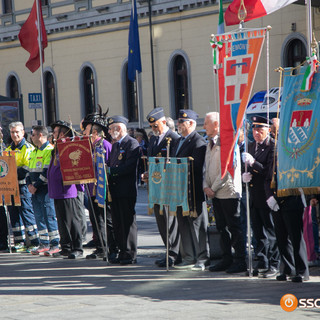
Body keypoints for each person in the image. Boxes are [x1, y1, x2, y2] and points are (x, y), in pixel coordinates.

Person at [203, 112, 247, 274]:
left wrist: (212, 188)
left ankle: (240, 259)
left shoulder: (227, 141)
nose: (204, 126)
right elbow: (206, 168)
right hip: (214, 192)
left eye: (206, 123)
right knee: (221, 227)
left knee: (234, 227)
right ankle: (226, 258)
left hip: (227, 191)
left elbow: (227, 170)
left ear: (216, 125)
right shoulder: (210, 143)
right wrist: (205, 185)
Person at [242, 116, 280, 278]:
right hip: (254, 195)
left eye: (260, 130)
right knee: (258, 233)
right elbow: (248, 168)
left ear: (268, 130)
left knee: (271, 231)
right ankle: (263, 261)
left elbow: (269, 171)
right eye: (254, 130)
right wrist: (244, 175)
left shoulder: (272, 146)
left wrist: (253, 165)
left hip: (267, 195)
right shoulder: (251, 146)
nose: (256, 133)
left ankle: (274, 264)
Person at [265, 150, 310, 282]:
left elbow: (294, 183)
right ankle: (288, 269)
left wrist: (277, 199)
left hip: (292, 202)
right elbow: (268, 179)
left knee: (295, 237)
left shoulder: (294, 159)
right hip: (276, 204)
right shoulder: (275, 159)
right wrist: (269, 197)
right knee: (281, 238)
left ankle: (302, 271)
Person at [172, 109, 209, 271]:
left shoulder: (198, 141)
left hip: (192, 191)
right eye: (179, 121)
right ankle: (188, 256)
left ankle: (202, 257)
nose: (179, 125)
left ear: (192, 123)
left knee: (197, 225)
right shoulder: (177, 141)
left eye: (182, 122)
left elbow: (196, 167)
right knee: (183, 224)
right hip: (179, 190)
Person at [144, 107, 180, 267]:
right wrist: (146, 173)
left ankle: (174, 253)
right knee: (161, 220)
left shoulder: (174, 138)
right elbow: (152, 160)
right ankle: (168, 250)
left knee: (170, 220)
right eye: (151, 127)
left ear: (164, 122)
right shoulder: (153, 139)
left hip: (168, 186)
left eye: (156, 126)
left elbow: (175, 163)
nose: (153, 129)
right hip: (155, 185)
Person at [81, 110, 117, 259]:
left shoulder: (105, 145)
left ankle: (111, 248)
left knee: (106, 220)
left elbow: (110, 167)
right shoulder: (90, 147)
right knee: (95, 220)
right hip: (92, 190)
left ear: (95, 132)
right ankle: (100, 247)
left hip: (103, 190)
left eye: (87, 131)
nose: (84, 133)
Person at [48, 120, 83, 259]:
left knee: (73, 221)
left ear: (62, 134)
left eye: (55, 132)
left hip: (67, 190)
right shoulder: (57, 147)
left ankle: (77, 248)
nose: (53, 135)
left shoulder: (69, 147)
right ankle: (66, 247)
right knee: (62, 221)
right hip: (57, 190)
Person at [107, 116, 140, 265]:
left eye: (111, 128)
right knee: (117, 223)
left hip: (126, 190)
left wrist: (111, 171)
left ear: (119, 129)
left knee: (127, 222)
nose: (108, 131)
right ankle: (122, 251)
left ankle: (130, 253)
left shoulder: (132, 144)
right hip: (114, 190)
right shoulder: (115, 146)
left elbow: (129, 167)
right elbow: (110, 163)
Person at [6, 122, 40, 252]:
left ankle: (34, 241)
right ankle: (19, 241)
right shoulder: (9, 149)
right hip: (11, 186)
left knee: (26, 213)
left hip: (23, 186)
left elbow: (27, 168)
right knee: (14, 215)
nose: (15, 134)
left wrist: (12, 171)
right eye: (12, 132)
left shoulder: (28, 148)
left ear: (23, 132)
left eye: (17, 132)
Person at [26, 125, 60, 256]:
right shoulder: (34, 151)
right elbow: (29, 171)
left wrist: (36, 186)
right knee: (39, 217)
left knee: (49, 216)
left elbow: (47, 172)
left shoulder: (49, 150)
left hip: (45, 189)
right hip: (34, 190)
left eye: (33, 134)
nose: (31, 137)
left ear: (40, 135)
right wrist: (29, 184)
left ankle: (55, 244)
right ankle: (44, 243)